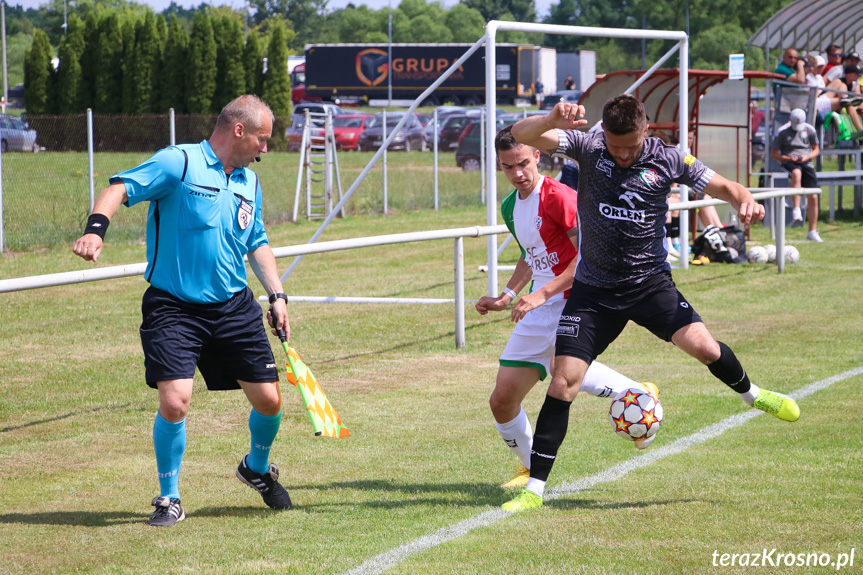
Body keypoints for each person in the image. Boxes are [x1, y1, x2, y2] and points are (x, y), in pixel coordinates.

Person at [501, 94, 801, 513]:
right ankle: (534, 489)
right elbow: (519, 134)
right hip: (594, 292)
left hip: (648, 284)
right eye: (615, 145)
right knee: (563, 381)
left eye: (631, 146)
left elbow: (726, 186)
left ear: (647, 131)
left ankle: (754, 395)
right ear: (603, 133)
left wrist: (743, 200)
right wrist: (553, 117)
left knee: (706, 348)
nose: (622, 155)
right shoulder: (588, 146)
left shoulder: (671, 158)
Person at [72, 95, 293, 527]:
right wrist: (95, 232)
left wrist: (277, 295)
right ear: (239, 131)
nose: (266, 149)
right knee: (175, 403)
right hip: (173, 307)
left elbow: (257, 241)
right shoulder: (180, 162)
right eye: (263, 139)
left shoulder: (249, 181)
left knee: (269, 402)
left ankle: (256, 468)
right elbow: (119, 187)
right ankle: (168, 497)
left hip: (234, 306)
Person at [476, 126, 659, 489]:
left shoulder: (560, 197)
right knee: (502, 400)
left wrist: (540, 295)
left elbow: (589, 256)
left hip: (575, 299)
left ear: (537, 157)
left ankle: (634, 395)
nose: (517, 173)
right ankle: (633, 392)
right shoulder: (510, 206)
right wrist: (507, 296)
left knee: (564, 377)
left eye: (523, 163)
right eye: (508, 167)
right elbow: (531, 256)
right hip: (537, 308)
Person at [771, 108, 822, 242]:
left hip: (806, 162)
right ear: (790, 121)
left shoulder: (809, 129)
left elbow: (816, 149)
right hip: (789, 162)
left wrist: (808, 156)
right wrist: (789, 158)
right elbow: (774, 153)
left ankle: (812, 231)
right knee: (796, 172)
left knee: (814, 196)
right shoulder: (782, 131)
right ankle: (796, 209)